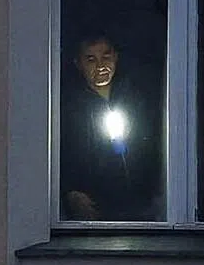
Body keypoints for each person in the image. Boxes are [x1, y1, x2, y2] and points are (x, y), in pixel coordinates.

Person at [60, 34, 163, 221]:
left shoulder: (136, 99)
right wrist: (69, 192)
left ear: (115, 57)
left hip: (139, 207)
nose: (100, 66)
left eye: (106, 56)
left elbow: (155, 147)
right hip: (91, 209)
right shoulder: (67, 108)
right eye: (91, 59)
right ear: (78, 63)